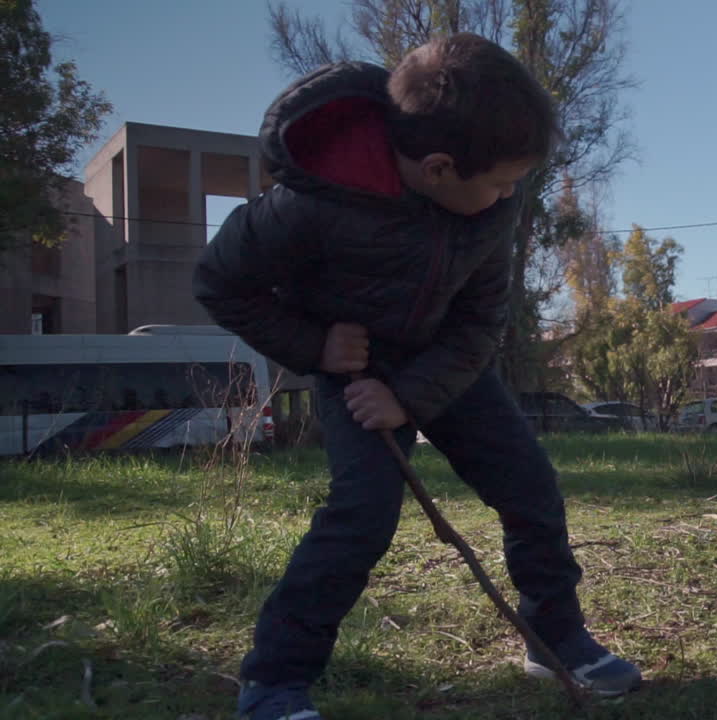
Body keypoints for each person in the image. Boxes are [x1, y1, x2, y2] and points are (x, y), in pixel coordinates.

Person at [194, 33, 641, 720]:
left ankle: (554, 640)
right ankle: (274, 681)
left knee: (531, 488)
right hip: (356, 372)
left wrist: (409, 395)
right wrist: (316, 345)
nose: (510, 193)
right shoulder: (310, 200)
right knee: (362, 517)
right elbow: (220, 282)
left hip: (447, 365)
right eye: (498, 181)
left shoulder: (491, 203)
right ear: (437, 167)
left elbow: (483, 321)